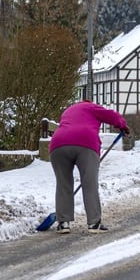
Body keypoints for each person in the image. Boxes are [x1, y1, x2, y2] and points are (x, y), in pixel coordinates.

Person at [48, 99, 130, 234]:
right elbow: (112, 116)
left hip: (58, 144)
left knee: (63, 184)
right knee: (89, 184)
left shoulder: (68, 111)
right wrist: (122, 126)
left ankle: (63, 223)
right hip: (85, 143)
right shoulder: (92, 107)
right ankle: (94, 223)